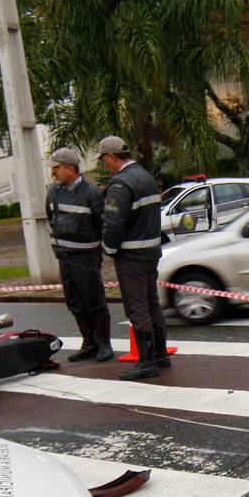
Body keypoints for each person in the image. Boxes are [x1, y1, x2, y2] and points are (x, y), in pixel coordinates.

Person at [97, 136, 171, 380]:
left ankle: (146, 361)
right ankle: (160, 355)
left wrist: (108, 247)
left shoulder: (120, 184)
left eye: (104, 159)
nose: (104, 164)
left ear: (111, 156)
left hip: (131, 255)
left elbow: (114, 223)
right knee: (151, 304)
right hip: (151, 252)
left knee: (137, 306)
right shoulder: (146, 178)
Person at [45, 147, 113, 363]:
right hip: (65, 258)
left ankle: (104, 343)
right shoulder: (54, 192)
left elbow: (102, 223)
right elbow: (50, 218)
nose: (53, 172)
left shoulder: (91, 193)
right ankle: (89, 343)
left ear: (70, 168)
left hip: (86, 258)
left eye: (57, 167)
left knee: (94, 300)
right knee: (74, 302)